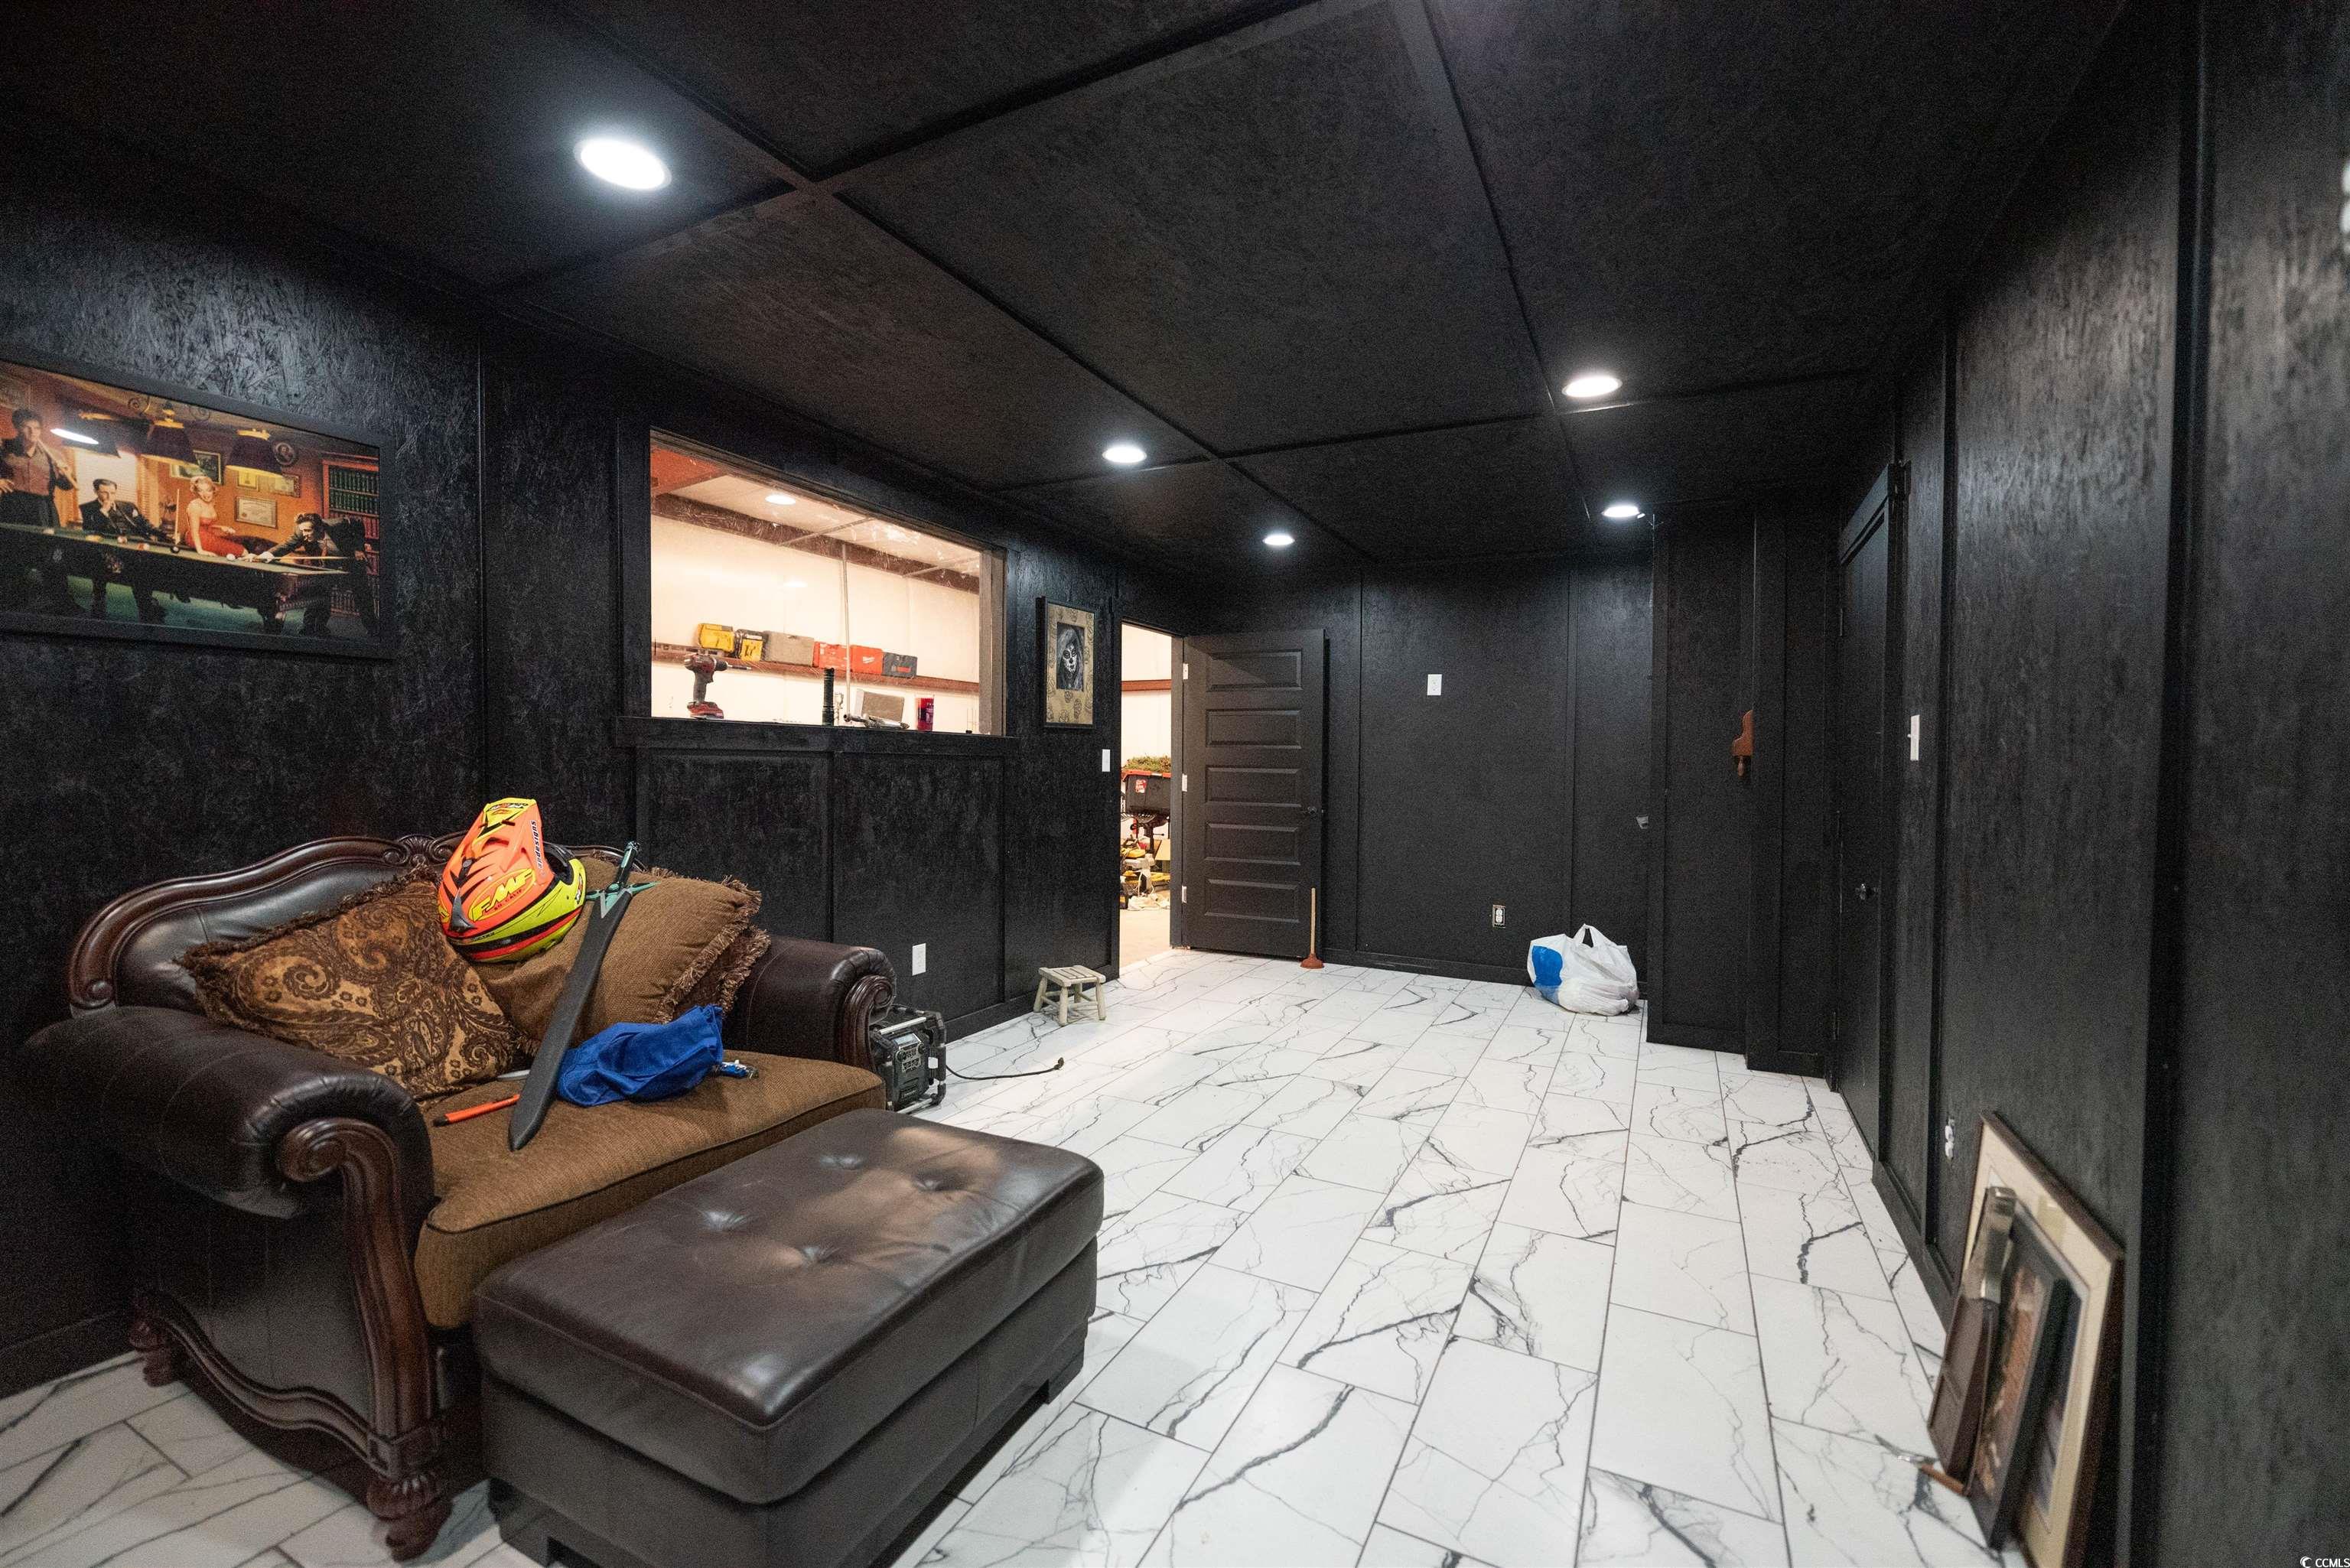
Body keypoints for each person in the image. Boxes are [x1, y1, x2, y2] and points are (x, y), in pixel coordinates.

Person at [0, 408, 80, 613]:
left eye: (36, 428)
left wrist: (66, 474)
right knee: (13, 554)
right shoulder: (4, 449)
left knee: (53, 554)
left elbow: (67, 486)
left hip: (44, 507)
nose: (32, 432)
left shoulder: (53, 455)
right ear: (17, 428)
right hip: (14, 505)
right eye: (27, 427)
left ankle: (60, 601)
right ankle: (13, 602)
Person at [79, 477, 166, 622]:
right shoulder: (88, 508)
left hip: (135, 548)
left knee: (147, 567)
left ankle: (146, 603)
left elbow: (144, 525)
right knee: (136, 570)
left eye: (112, 493)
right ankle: (143, 604)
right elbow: (91, 530)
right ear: (96, 492)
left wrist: (164, 535)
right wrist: (104, 510)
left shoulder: (128, 506)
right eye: (105, 493)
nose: (109, 496)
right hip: (109, 551)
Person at [257, 512, 337, 635]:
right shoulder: (302, 533)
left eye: (307, 531)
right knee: (319, 591)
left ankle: (370, 629)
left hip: (347, 560)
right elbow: (286, 545)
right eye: (302, 531)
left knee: (361, 594)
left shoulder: (337, 526)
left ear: (320, 529)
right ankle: (310, 626)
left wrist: (358, 549)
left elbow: (356, 524)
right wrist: (266, 555)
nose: (304, 534)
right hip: (323, 562)